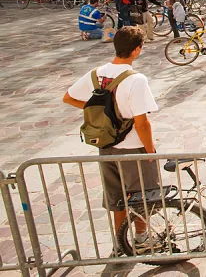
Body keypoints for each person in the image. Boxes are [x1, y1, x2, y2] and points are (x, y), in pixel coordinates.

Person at [62, 27, 158, 248]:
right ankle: (141, 237)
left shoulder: (96, 74)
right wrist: (150, 149)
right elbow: (142, 123)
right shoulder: (136, 80)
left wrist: (99, 111)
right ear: (136, 50)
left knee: (117, 199)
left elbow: (68, 97)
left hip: (106, 146)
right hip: (133, 147)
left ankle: (119, 242)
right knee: (142, 196)